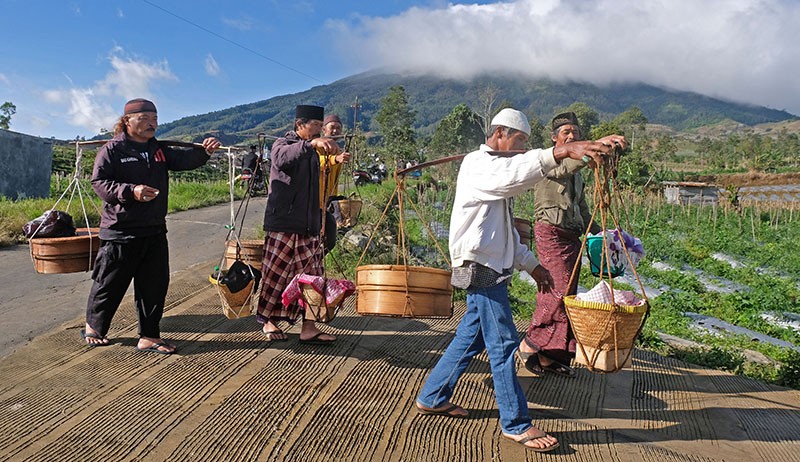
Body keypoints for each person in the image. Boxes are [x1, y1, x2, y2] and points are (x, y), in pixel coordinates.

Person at [414, 108, 625, 452]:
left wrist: (531, 265)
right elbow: (513, 173)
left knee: (473, 338)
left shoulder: (498, 172)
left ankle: (432, 395)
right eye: (519, 142)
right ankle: (516, 423)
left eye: (526, 144)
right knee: (503, 343)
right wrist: (559, 151)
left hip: (491, 266)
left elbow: (506, 232)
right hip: (479, 267)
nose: (521, 149)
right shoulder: (478, 165)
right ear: (499, 134)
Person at [82, 98, 221, 354]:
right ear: (127, 121)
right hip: (121, 230)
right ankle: (95, 326)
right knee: (109, 283)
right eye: (145, 119)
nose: (151, 124)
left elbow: (183, 160)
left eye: (155, 119)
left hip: (154, 228)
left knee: (154, 285)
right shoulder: (112, 150)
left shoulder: (158, 149)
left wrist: (205, 152)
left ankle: (149, 335)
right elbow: (99, 182)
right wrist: (129, 191)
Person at [518, 112, 607, 377]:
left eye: (575, 133)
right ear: (555, 138)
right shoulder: (548, 162)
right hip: (551, 233)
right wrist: (589, 152)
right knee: (555, 290)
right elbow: (566, 165)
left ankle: (549, 355)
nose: (571, 136)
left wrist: (603, 233)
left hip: (570, 237)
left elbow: (582, 208)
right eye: (566, 133)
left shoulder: (577, 176)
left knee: (567, 295)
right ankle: (530, 343)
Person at [257, 105, 340, 343]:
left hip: (310, 225)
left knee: (313, 279)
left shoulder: (315, 154)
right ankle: (269, 321)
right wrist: (310, 145)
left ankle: (309, 327)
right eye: (315, 126)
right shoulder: (281, 145)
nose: (319, 131)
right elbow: (282, 160)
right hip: (283, 223)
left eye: (320, 127)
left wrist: (321, 220)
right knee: (275, 275)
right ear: (299, 126)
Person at [319, 114, 351, 250]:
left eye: (338, 128)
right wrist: (334, 159)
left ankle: (315, 266)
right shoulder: (316, 145)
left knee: (329, 240)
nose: (335, 131)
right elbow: (315, 162)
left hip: (327, 202)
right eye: (332, 127)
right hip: (313, 202)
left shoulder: (337, 149)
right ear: (323, 130)